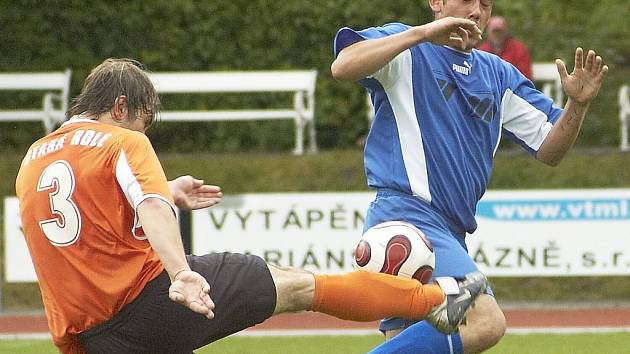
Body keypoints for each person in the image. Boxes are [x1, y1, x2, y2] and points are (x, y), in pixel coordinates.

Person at [15, 58, 488, 354]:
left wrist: (167, 192)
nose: (144, 134)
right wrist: (179, 271)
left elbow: (65, 238)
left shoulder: (32, 161)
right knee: (298, 285)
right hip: (152, 301)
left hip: (94, 339)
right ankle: (439, 300)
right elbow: (152, 210)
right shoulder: (119, 141)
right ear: (121, 107)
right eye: (144, 122)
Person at [331, 0, 608, 353]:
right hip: (407, 221)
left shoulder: (499, 74)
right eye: (466, 0)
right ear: (436, 2)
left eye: (486, 3)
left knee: (407, 344)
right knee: (485, 321)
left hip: (449, 232)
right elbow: (343, 67)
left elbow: (550, 149)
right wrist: (423, 33)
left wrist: (577, 105)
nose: (476, 10)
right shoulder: (407, 46)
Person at [478, 16, 533, 80]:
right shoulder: (482, 51)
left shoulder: (519, 50)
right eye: (494, 32)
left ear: (506, 31)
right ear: (488, 33)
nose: (497, 35)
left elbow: (525, 77)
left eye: (500, 31)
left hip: (513, 87)